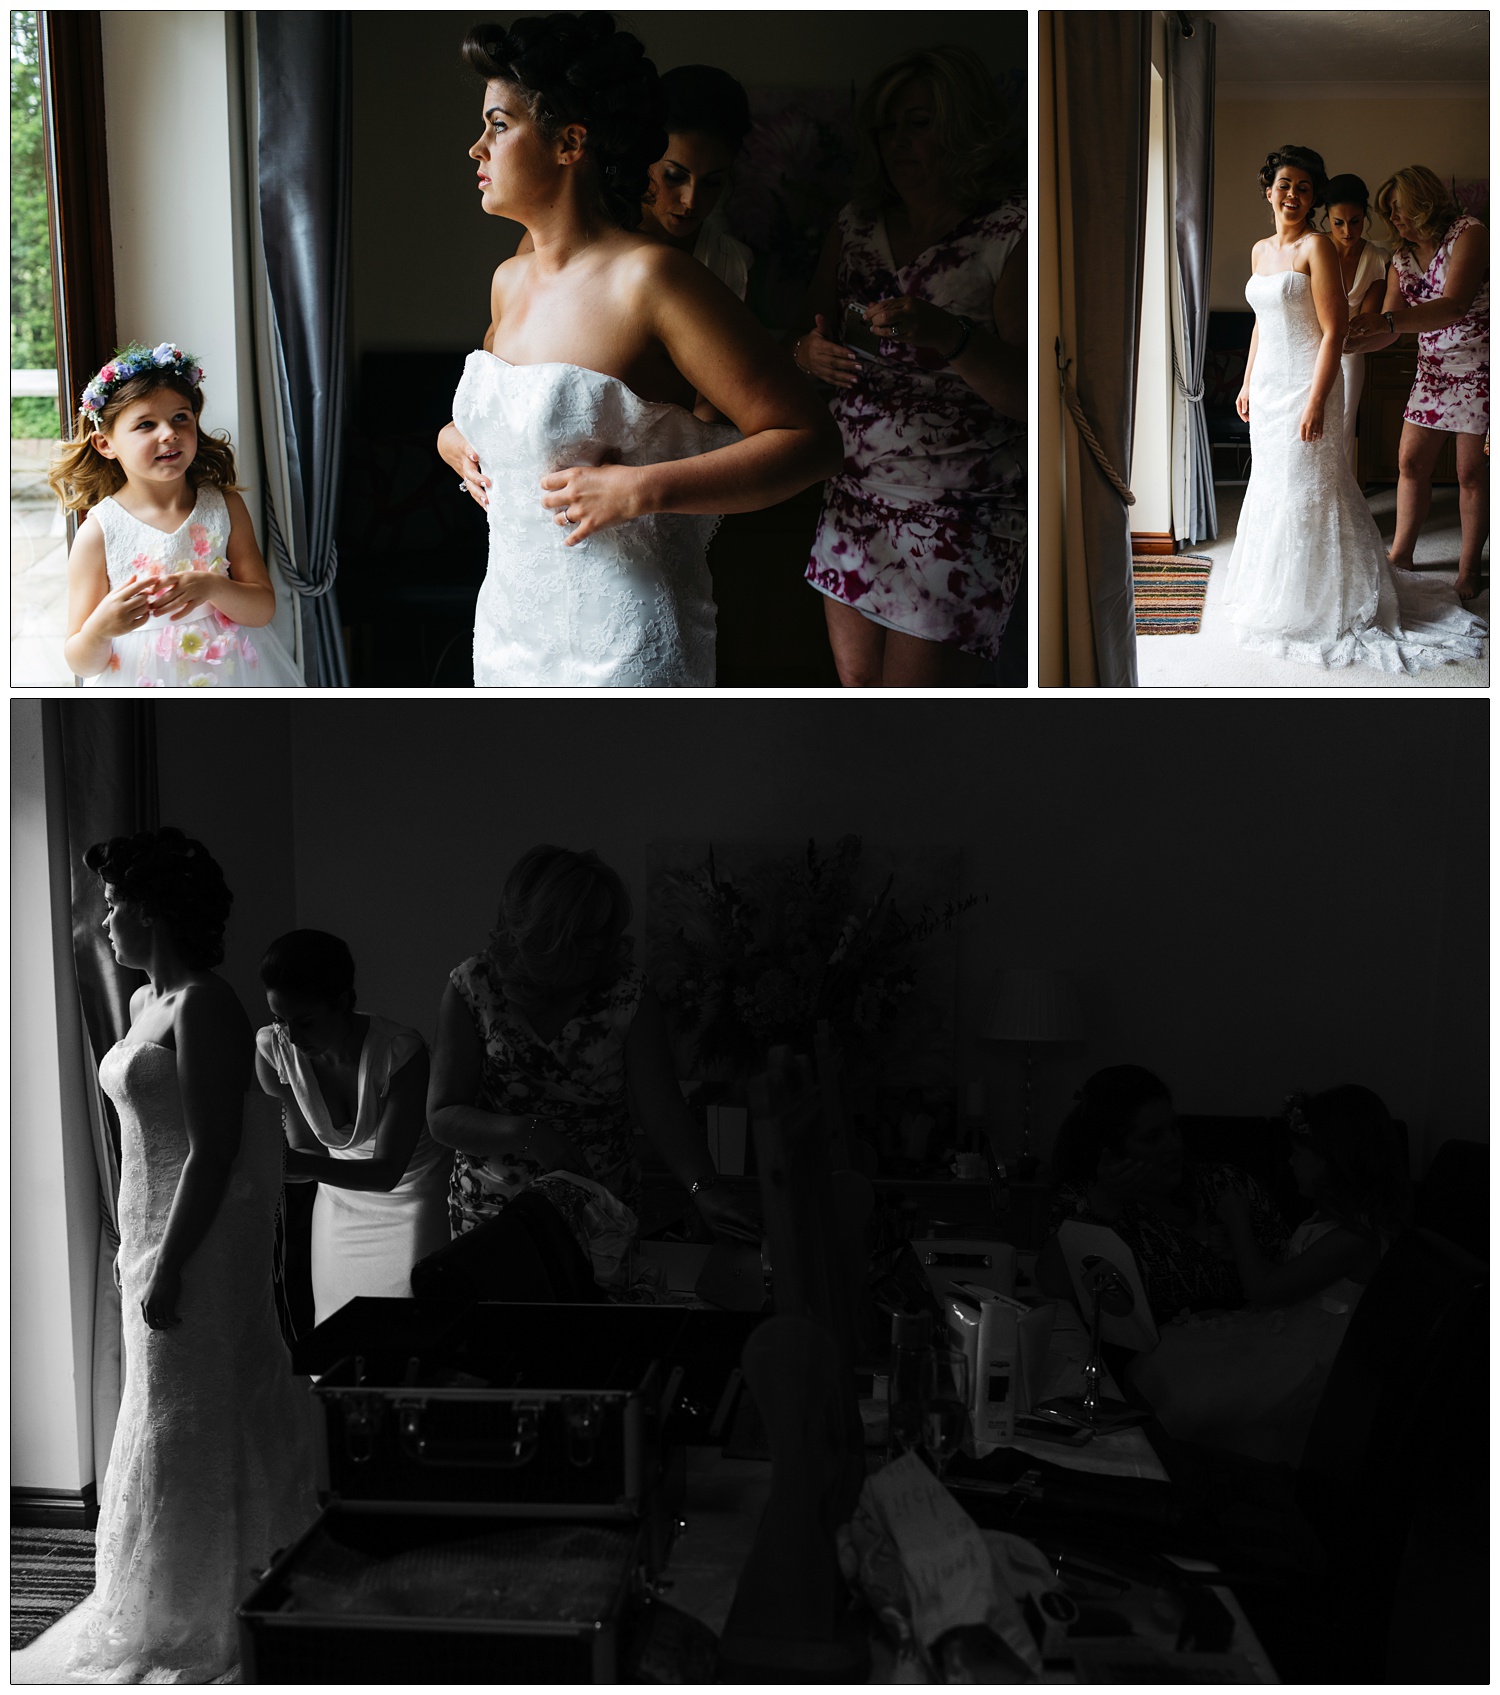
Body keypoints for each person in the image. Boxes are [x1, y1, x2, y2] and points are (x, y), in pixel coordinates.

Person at [436, 14, 840, 687]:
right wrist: (455, 437)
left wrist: (642, 489)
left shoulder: (655, 281)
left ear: (570, 142)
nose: (476, 149)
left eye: (498, 125)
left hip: (624, 644)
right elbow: (514, 418)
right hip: (510, 632)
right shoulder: (509, 282)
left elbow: (812, 440)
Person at [13, 830, 317, 1683]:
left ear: (151, 909)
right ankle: (168, 1596)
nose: (102, 922)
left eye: (111, 905)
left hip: (199, 1236)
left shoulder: (204, 1004)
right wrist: (137, 1248)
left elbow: (214, 1151)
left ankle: (212, 1606)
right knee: (163, 1412)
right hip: (151, 1232)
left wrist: (174, 1262)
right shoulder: (145, 1001)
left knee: (198, 1412)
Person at [794, 46, 1025, 687]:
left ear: (961, 127)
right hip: (852, 496)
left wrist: (949, 336)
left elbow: (1032, 395)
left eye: (918, 123)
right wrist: (805, 354)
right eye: (887, 128)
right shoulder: (856, 224)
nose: (898, 142)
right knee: (861, 701)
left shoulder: (1011, 230)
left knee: (915, 716)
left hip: (960, 511)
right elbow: (804, 336)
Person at [428, 845, 758, 1290]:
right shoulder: (474, 988)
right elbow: (443, 1117)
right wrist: (529, 1134)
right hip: (494, 1220)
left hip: (601, 1218)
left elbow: (663, 1110)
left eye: (608, 929)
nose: (603, 945)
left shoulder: (627, 991)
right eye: (585, 934)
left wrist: (705, 1190)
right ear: (543, 933)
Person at [1220, 145, 1486, 673]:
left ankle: (1340, 594)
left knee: (1318, 486)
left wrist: (1319, 397)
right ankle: (1291, 586)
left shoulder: (1320, 246)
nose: (1293, 195)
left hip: (1326, 380)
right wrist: (1248, 381)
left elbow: (1340, 328)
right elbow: (1262, 325)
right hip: (1274, 386)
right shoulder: (1261, 251)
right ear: (1268, 190)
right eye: (1284, 185)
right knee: (1278, 484)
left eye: (1303, 188)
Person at [1129, 1086, 1410, 1467]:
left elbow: (1264, 1291)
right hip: (1290, 1328)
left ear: (1329, 1162)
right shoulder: (1329, 1224)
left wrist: (1238, 1221)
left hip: (1308, 1357)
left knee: (1195, 1394)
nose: (1290, 1162)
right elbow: (1295, 1280)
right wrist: (1237, 1254)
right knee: (1166, 1361)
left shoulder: (1353, 1240)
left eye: (1298, 1154)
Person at [49, 342, 303, 687]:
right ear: (105, 444)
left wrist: (213, 586)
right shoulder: (99, 532)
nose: (169, 433)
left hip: (234, 677)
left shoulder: (224, 506)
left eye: (180, 418)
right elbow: (83, 663)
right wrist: (99, 629)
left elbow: (262, 610)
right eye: (145, 425)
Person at [255, 930, 451, 1326]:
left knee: (411, 1333)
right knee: (340, 1337)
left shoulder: (401, 1053)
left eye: (305, 1021)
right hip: (339, 1205)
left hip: (414, 1198)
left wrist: (290, 1163)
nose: (291, 1037)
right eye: (280, 1020)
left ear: (342, 1001)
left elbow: (386, 1172)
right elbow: (306, 1150)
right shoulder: (274, 1051)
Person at [1039, 1065, 1288, 1325]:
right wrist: (1103, 1203)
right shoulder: (1085, 1198)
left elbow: (1294, 1273)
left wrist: (1240, 1242)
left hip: (1257, 1340)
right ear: (1111, 1151)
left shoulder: (1227, 1184)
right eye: (1152, 1138)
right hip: (1155, 1353)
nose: (1173, 1145)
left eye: (1174, 1129)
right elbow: (1054, 1287)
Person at [1347, 166, 1489, 602]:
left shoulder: (1469, 234)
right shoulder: (1402, 259)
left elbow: (1453, 305)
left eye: (1398, 208)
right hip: (1433, 371)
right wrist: (1348, 345)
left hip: (1481, 367)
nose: (1394, 220)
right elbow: (1390, 329)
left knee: (1470, 473)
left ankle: (1469, 569)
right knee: (1409, 462)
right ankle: (1401, 554)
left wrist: (1386, 320)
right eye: (1388, 213)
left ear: (1422, 201)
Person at [1322, 173, 1389, 476]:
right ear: (1327, 218)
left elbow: (1367, 320)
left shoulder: (1376, 258)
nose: (1347, 230)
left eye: (1355, 220)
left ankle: (1344, 496)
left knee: (1345, 423)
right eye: (1338, 222)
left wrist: (1347, 336)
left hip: (1351, 352)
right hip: (1314, 347)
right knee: (1313, 419)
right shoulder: (1316, 250)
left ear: (1366, 216)